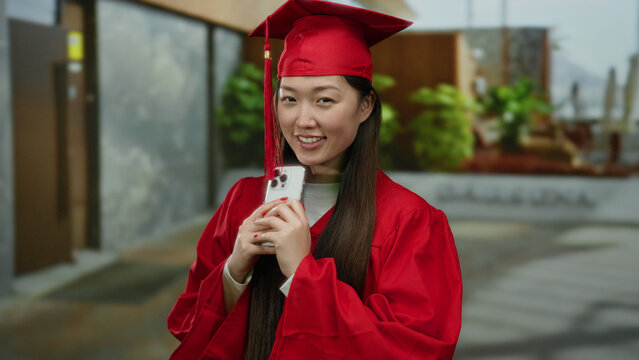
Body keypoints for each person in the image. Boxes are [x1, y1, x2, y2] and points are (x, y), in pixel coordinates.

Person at [167, 0, 462, 359]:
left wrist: (301, 275)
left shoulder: (409, 221)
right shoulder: (244, 200)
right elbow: (189, 323)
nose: (302, 120)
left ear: (365, 106)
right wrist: (235, 267)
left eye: (324, 100)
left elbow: (414, 348)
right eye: (288, 98)